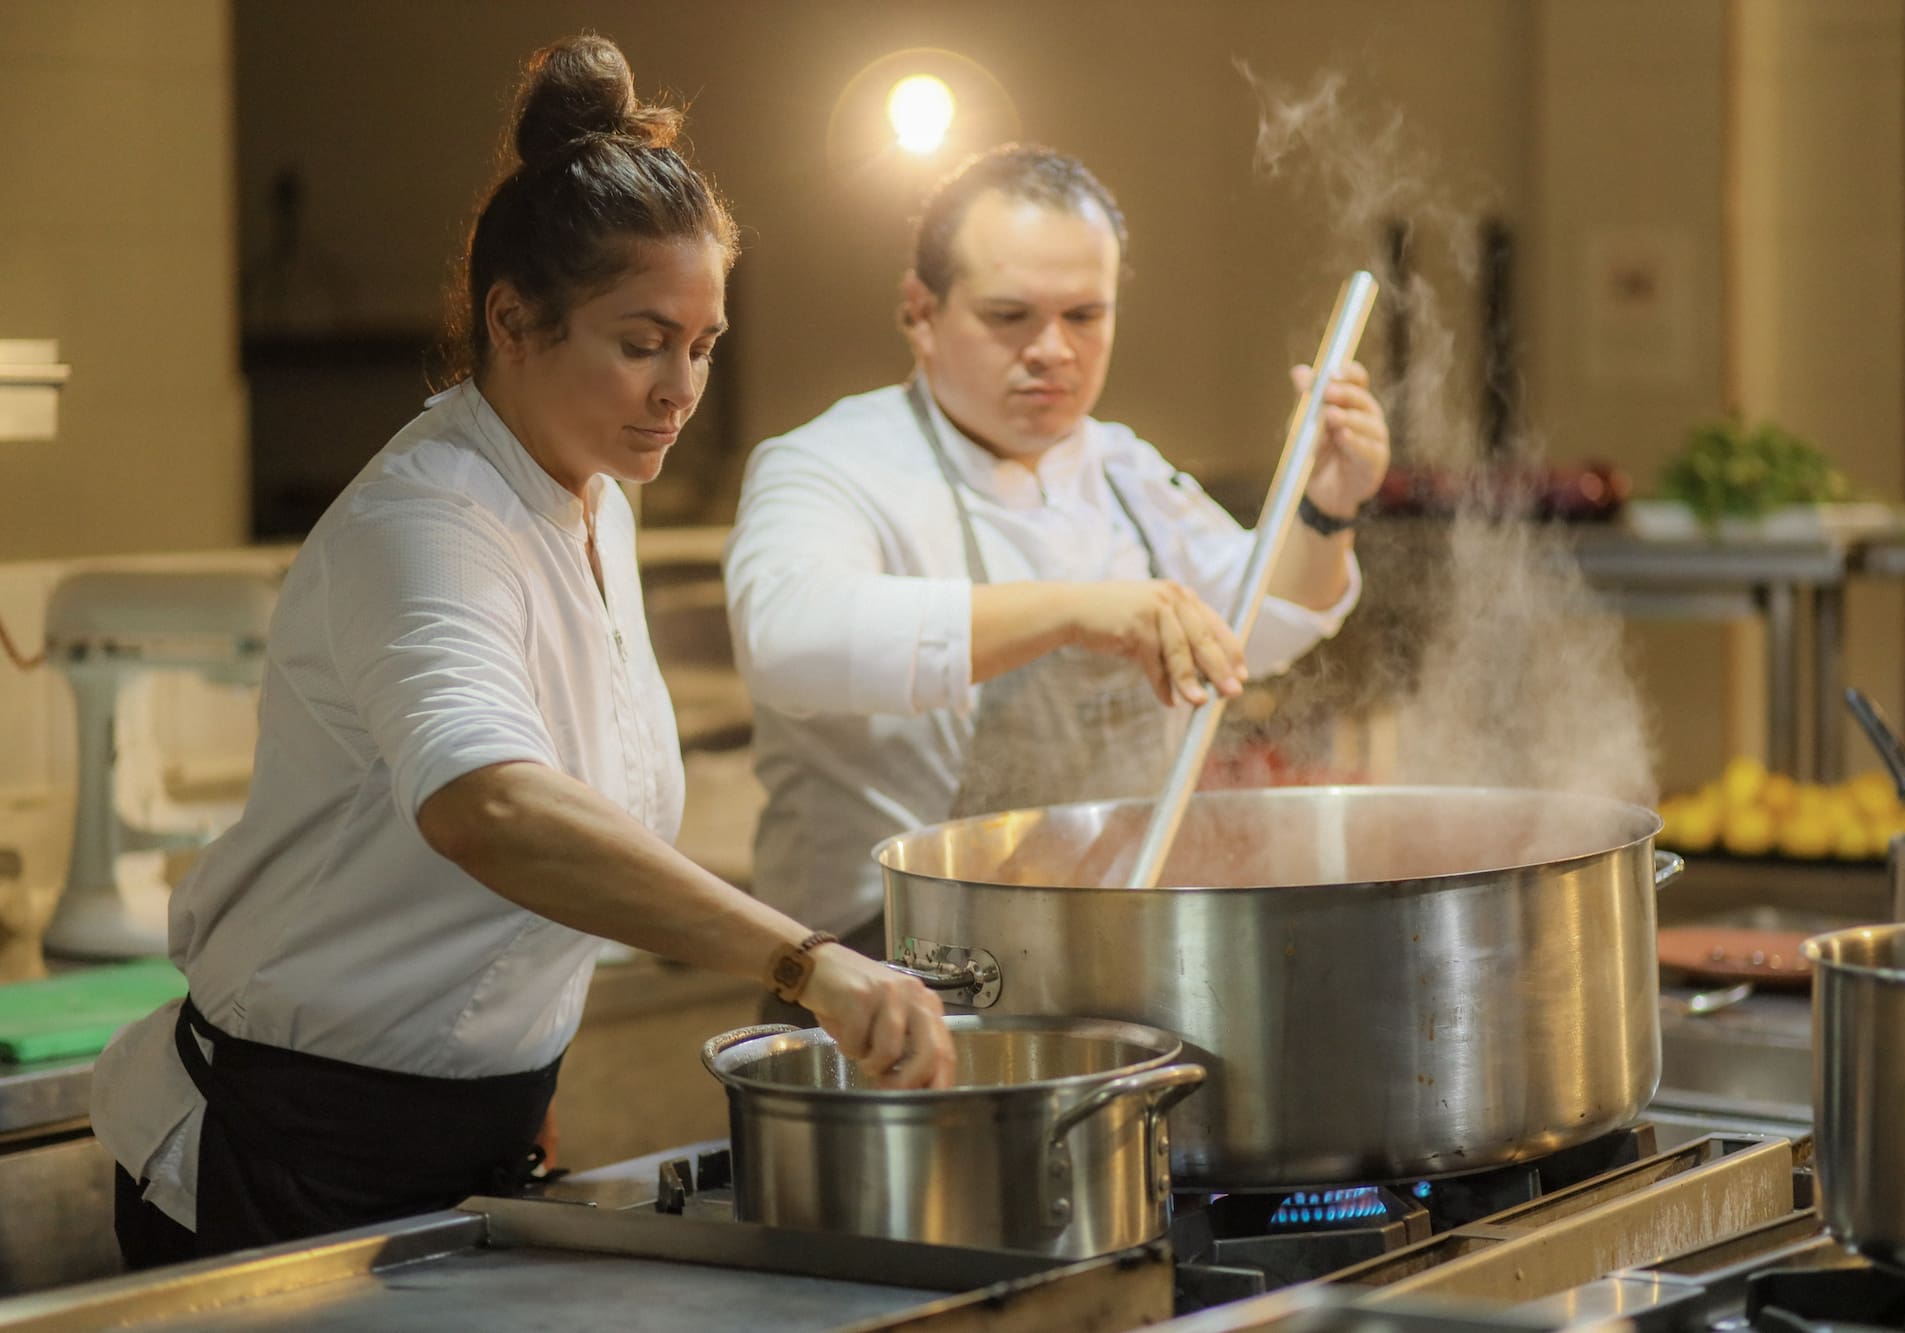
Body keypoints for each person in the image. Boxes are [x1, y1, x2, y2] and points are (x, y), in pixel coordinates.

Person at [92, 34, 952, 1271]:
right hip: (290, 1153)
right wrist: (803, 958)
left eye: (703, 346)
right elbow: (487, 805)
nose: (679, 388)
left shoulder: (596, 491)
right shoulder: (424, 522)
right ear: (512, 318)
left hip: (473, 1134)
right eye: (642, 340)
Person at [724, 144, 1390, 977]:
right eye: (1010, 316)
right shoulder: (829, 465)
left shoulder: (1123, 469)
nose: (1053, 349)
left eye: (1085, 315)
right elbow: (788, 640)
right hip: (886, 957)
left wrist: (1326, 506)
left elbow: (1259, 625)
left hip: (1116, 941)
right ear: (920, 311)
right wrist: (1078, 609)